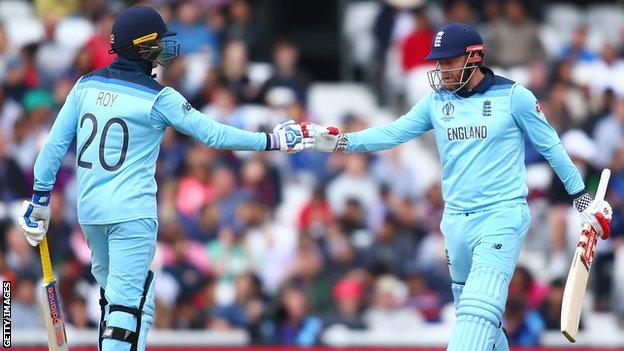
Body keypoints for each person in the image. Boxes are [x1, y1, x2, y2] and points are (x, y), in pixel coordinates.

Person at [303, 23, 613, 351]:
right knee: (482, 319)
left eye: (449, 61)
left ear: (474, 58)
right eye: (438, 62)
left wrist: (581, 198)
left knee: (479, 309)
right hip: (455, 222)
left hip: (501, 214)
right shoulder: (435, 102)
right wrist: (341, 142)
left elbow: (552, 146)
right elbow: (392, 133)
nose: (441, 69)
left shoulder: (514, 96)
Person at [16, 6, 304, 351]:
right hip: (131, 213)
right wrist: (270, 139)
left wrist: (40, 199)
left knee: (128, 296)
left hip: (90, 212)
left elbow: (53, 146)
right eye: (158, 42)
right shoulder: (159, 97)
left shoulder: (85, 85)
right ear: (141, 48)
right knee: (123, 306)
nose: (166, 49)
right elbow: (214, 135)